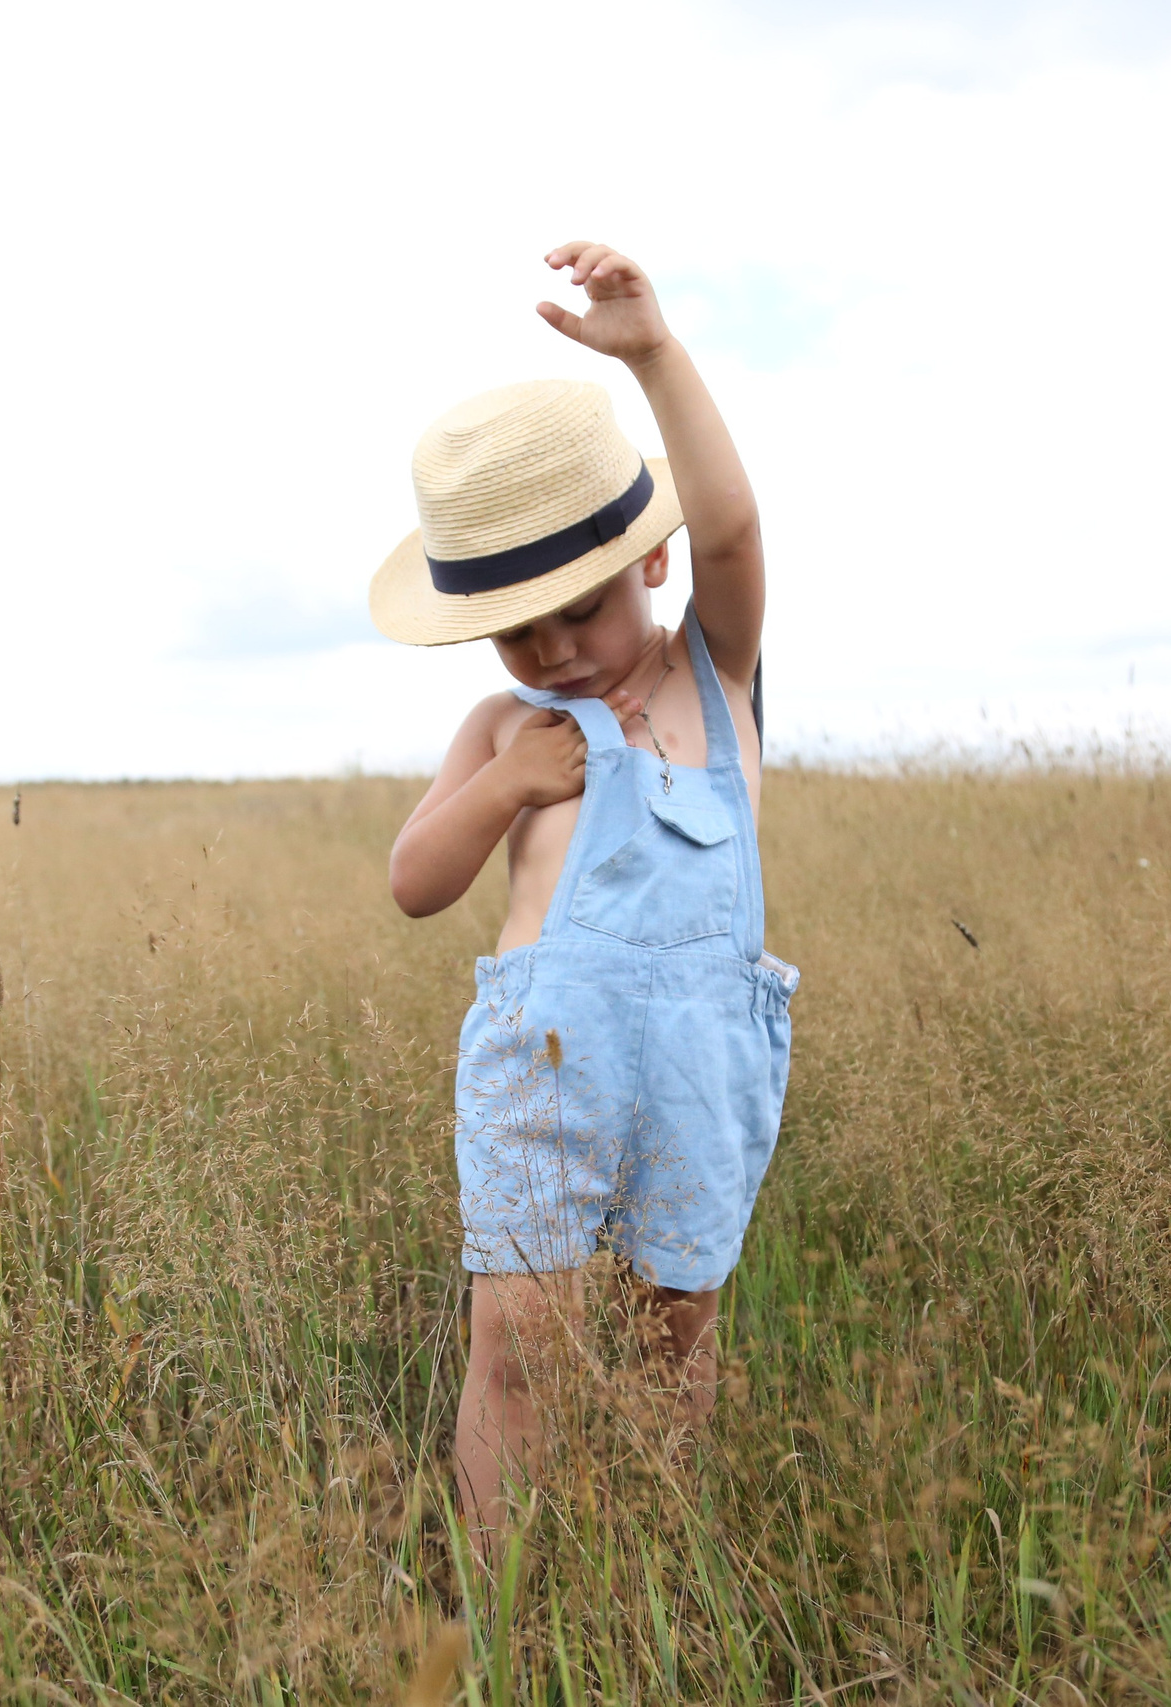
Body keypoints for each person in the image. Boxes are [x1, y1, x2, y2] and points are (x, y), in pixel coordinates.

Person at [372, 240, 797, 1542]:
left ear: (650, 567)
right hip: (547, 1061)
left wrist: (653, 354)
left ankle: (659, 1569)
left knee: (679, 1325)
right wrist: (507, 790)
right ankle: (501, 1602)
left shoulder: (714, 681)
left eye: (586, 610)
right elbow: (415, 882)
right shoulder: (506, 730)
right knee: (520, 1337)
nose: (558, 651)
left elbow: (729, 525)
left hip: (700, 1056)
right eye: (521, 629)